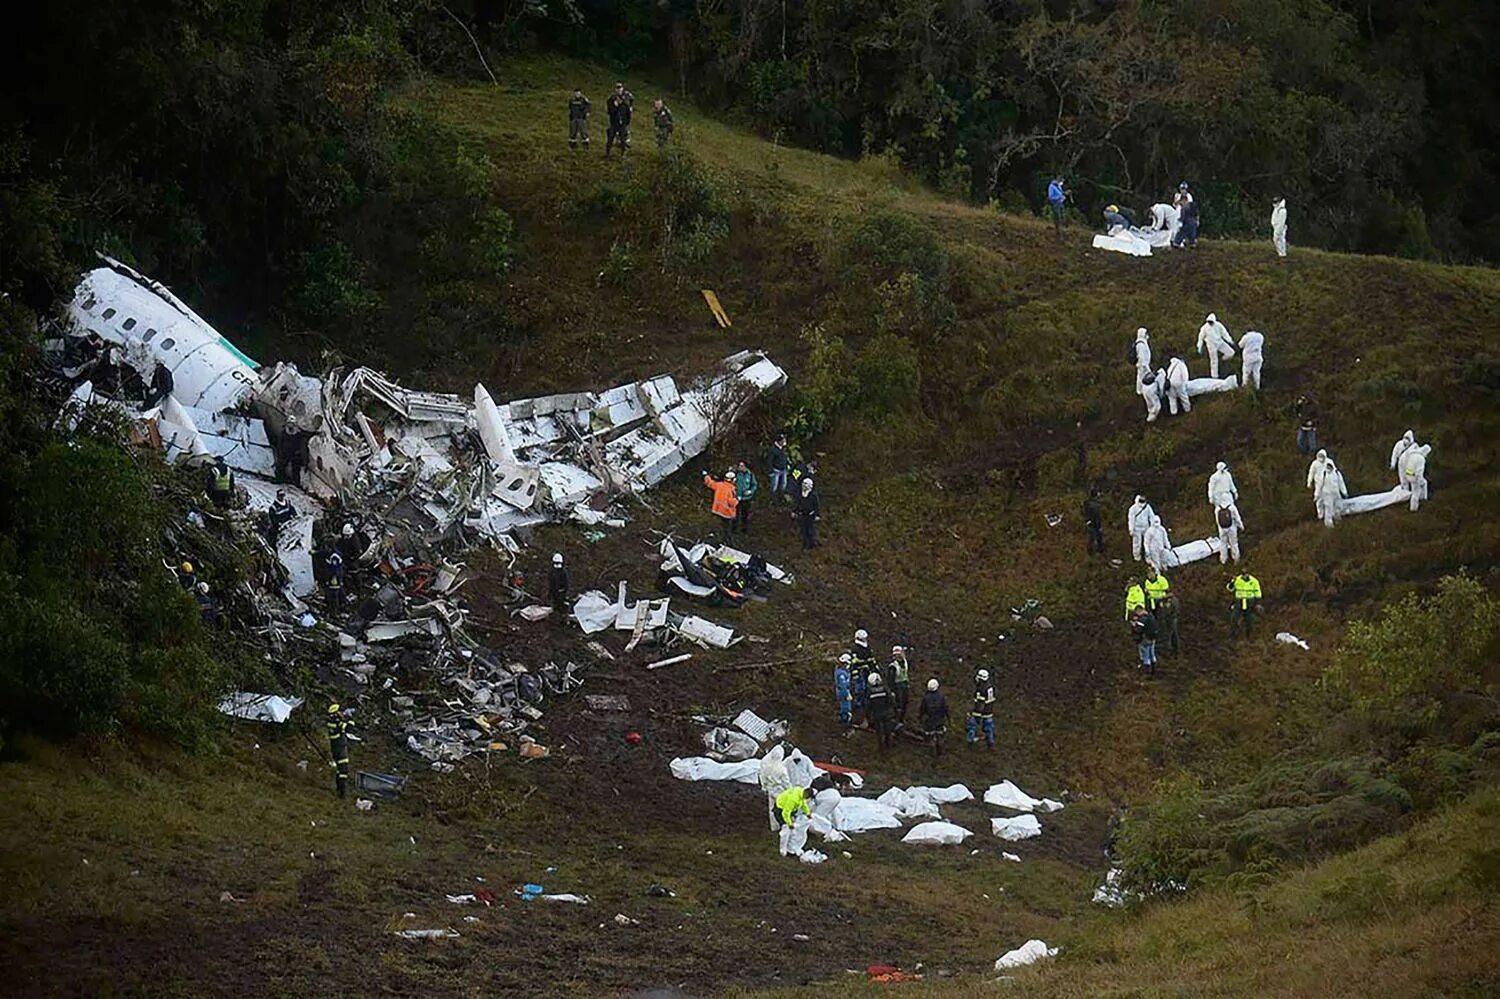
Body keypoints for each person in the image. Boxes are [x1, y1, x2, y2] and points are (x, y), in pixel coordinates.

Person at [758, 744, 791, 830]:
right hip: (780, 790)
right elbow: (786, 781)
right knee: (783, 808)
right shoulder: (781, 768)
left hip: (770, 789)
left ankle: (774, 826)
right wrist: (790, 790)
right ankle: (784, 825)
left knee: (772, 808)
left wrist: (764, 787)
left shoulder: (766, 764)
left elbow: (762, 776)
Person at [775, 783, 813, 858]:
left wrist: (808, 813)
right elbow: (785, 813)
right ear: (806, 794)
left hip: (787, 808)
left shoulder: (800, 791)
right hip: (781, 809)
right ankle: (783, 850)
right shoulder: (793, 799)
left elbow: (803, 804)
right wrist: (789, 824)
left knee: (789, 827)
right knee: (786, 830)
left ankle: (789, 845)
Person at [274, 415, 314, 485]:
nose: (290, 425)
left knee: (296, 469)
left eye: (292, 424)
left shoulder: (298, 433)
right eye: (289, 423)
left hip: (295, 453)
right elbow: (279, 444)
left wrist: (316, 433)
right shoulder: (283, 433)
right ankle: (279, 479)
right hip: (285, 452)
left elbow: (306, 434)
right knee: (280, 466)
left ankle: (296, 483)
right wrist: (280, 452)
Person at [703, 469, 739, 541]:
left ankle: (716, 538)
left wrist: (706, 475)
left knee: (717, 527)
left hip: (717, 510)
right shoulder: (731, 490)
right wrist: (737, 500)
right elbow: (731, 503)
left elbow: (709, 483)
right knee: (726, 530)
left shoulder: (719, 485)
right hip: (727, 513)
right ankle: (726, 542)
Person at [1197, 314, 1235, 379]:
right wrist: (1199, 346)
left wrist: (1230, 341)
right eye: (1209, 322)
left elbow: (1224, 334)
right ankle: (1214, 376)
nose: (1210, 323)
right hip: (1211, 345)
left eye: (1211, 322)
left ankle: (1222, 359)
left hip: (1220, 342)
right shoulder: (1204, 328)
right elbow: (1201, 337)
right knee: (1214, 361)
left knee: (1231, 352)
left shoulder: (1219, 325)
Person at [918, 678, 949, 757]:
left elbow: (922, 709)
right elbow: (945, 708)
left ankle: (932, 753)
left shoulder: (925, 698)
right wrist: (948, 718)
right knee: (940, 737)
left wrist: (920, 717)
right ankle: (940, 752)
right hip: (940, 720)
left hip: (930, 721)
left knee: (931, 737)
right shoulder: (941, 697)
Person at [1227, 570, 1262, 639]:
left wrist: (1258, 603)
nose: (1244, 576)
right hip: (1239, 602)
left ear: (1248, 574)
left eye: (1245, 574)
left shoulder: (1254, 581)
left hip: (1250, 602)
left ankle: (1250, 636)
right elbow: (1230, 588)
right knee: (1234, 619)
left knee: (1249, 620)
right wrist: (1232, 582)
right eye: (1243, 574)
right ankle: (1233, 635)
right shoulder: (1237, 579)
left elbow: (1258, 592)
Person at [966, 668, 995, 750]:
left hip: (980, 712)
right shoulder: (990, 687)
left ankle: (970, 743)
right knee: (989, 728)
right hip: (989, 711)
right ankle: (991, 743)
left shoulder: (980, 689)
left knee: (972, 726)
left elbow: (980, 704)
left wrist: (976, 715)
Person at [326, 703, 350, 798]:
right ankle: (342, 791)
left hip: (337, 748)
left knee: (339, 770)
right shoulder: (337, 723)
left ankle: (339, 788)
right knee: (344, 770)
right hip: (339, 749)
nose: (342, 713)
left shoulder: (332, 722)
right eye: (340, 712)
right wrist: (350, 720)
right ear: (336, 713)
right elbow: (348, 727)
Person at [866, 671, 894, 750]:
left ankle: (881, 747)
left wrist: (869, 718)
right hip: (887, 712)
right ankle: (888, 745)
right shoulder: (885, 689)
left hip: (877, 714)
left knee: (879, 732)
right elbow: (891, 700)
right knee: (888, 730)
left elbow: (868, 706)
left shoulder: (870, 692)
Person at [605, 82, 633, 157]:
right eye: (617, 88)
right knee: (610, 138)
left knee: (623, 139)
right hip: (614, 123)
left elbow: (628, 114)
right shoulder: (611, 99)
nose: (619, 90)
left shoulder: (625, 102)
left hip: (623, 124)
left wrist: (627, 122)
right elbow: (609, 111)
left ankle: (623, 153)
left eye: (620, 88)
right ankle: (607, 153)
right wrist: (615, 107)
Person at [1317, 460, 1347, 527]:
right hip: (1327, 495)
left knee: (1339, 506)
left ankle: (1338, 520)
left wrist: (1344, 492)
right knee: (1329, 509)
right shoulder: (1323, 474)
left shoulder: (1336, 473)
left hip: (1336, 493)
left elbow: (1341, 483)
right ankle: (1329, 525)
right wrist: (1317, 494)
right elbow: (1319, 485)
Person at [1400, 444, 1430, 511]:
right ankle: (1413, 508)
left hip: (1408, 475)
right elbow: (1419, 473)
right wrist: (1420, 481)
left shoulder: (1412, 455)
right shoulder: (1421, 459)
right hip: (1414, 477)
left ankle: (1422, 499)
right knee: (1416, 492)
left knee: (1423, 483)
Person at [1129, 607, 1158, 676]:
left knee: (1145, 656)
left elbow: (1138, 630)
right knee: (1152, 654)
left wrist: (1134, 625)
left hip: (1145, 639)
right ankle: (1153, 670)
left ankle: (1147, 672)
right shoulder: (1151, 616)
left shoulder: (1142, 619)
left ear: (1139, 611)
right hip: (1152, 638)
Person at [733, 460, 758, 534]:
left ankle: (745, 529)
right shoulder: (736, 474)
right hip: (737, 497)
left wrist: (750, 491)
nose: (740, 467)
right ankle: (734, 529)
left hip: (746, 498)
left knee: (745, 514)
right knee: (735, 514)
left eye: (742, 466)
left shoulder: (750, 474)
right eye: (739, 466)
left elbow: (754, 485)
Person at [888, 645, 912, 724]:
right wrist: (892, 691)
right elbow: (890, 680)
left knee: (905, 703)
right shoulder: (893, 666)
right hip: (897, 687)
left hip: (904, 685)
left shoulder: (905, 662)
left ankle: (901, 719)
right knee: (899, 704)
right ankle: (897, 720)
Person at [1128, 494, 1155, 562]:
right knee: (1137, 543)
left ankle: (1148, 557)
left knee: (1148, 543)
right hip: (1137, 529)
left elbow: (1152, 516)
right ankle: (1137, 557)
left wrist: (1153, 526)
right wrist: (1131, 528)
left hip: (1146, 527)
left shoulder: (1147, 507)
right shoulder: (1133, 508)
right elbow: (1131, 519)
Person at [1215, 499, 1244, 563]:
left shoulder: (1217, 508)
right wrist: (1241, 526)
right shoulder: (1232, 507)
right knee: (1233, 543)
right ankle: (1236, 558)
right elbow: (1237, 518)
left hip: (1222, 529)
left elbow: (1217, 521)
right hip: (1232, 528)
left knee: (1223, 543)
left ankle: (1223, 560)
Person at [796, 477, 820, 549]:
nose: (804, 485)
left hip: (811, 515)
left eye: (806, 484)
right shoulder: (800, 494)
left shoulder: (813, 495)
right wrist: (795, 511)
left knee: (811, 530)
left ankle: (812, 544)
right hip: (803, 515)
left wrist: (817, 514)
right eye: (803, 483)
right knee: (804, 531)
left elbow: (817, 506)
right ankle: (805, 544)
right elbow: (798, 504)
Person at [833, 654, 853, 734]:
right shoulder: (841, 674)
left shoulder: (841, 671)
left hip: (842, 691)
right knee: (846, 711)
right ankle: (845, 730)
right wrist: (847, 694)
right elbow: (843, 685)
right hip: (843, 692)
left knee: (845, 710)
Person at [1156, 591, 1180, 655]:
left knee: (1169, 635)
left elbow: (1174, 612)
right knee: (1171, 635)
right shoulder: (1163, 600)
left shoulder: (1174, 601)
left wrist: (1167, 607)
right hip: (1166, 620)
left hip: (1171, 620)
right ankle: (1174, 649)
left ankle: (1169, 651)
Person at [323, 549, 346, 616]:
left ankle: (335, 611)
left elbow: (334, 569)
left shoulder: (334, 556)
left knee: (334, 595)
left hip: (334, 579)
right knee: (337, 593)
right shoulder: (335, 554)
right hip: (337, 577)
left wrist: (331, 578)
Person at [1082, 488, 1104, 555]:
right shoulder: (1096, 504)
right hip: (1094, 523)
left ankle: (1092, 551)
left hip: (1091, 522)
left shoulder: (1087, 502)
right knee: (1096, 537)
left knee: (1092, 537)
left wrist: (1087, 521)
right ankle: (1098, 551)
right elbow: (1097, 515)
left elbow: (1085, 512)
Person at [767, 434, 790, 498]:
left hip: (784, 469)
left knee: (783, 485)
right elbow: (769, 461)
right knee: (774, 486)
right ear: (779, 441)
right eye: (783, 440)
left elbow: (785, 458)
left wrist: (787, 465)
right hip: (776, 470)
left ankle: (781, 498)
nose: (785, 441)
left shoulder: (783, 449)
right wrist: (770, 471)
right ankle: (773, 500)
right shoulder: (773, 450)